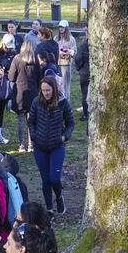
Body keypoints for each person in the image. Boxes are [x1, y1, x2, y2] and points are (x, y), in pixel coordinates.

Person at [26, 76, 75, 212]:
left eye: (48, 90)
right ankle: (49, 210)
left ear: (54, 89)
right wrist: (34, 136)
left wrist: (64, 137)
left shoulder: (63, 103)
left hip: (57, 146)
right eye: (43, 90)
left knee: (54, 179)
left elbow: (70, 123)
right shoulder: (36, 102)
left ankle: (59, 197)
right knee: (45, 180)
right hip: (40, 146)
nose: (46, 93)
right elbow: (31, 121)